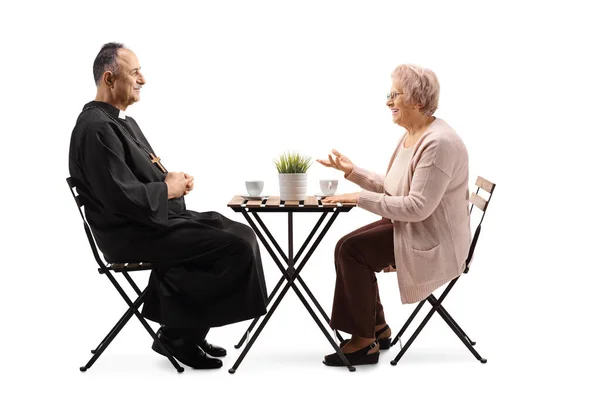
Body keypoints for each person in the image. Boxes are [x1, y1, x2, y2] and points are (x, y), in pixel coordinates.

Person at [68, 43, 268, 369]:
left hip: (151, 222)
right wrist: (166, 188)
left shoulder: (120, 122)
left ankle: (185, 330)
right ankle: (179, 335)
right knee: (231, 245)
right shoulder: (96, 129)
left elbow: (144, 177)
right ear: (109, 78)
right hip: (131, 233)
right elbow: (120, 197)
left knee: (235, 231)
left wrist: (173, 183)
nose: (142, 79)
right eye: (134, 72)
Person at [317, 64, 471, 366]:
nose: (388, 101)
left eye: (394, 94)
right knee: (346, 246)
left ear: (418, 101)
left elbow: (417, 207)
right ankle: (376, 328)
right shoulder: (415, 135)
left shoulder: (438, 143)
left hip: (435, 242)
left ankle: (364, 344)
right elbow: (394, 188)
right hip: (418, 228)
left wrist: (360, 198)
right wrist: (353, 173)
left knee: (352, 250)